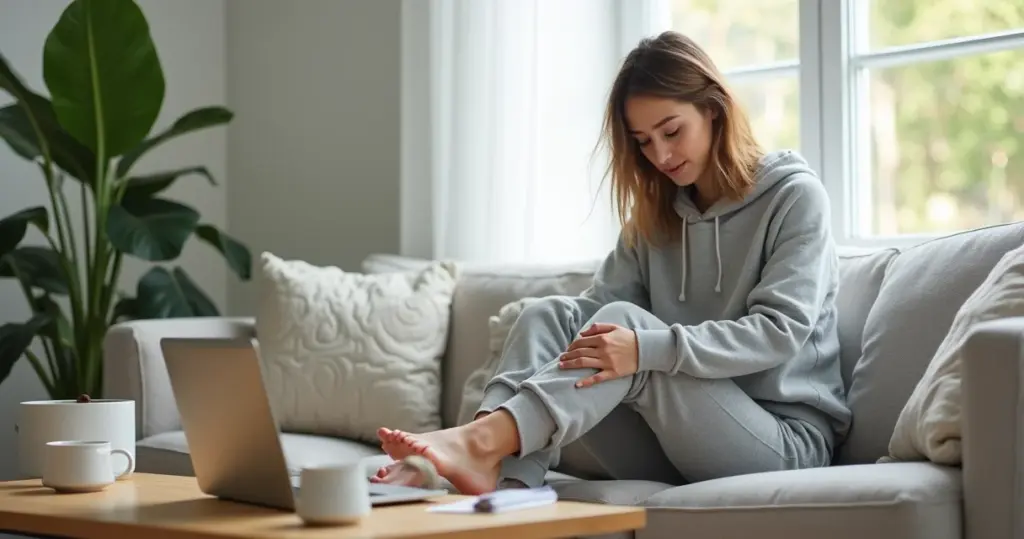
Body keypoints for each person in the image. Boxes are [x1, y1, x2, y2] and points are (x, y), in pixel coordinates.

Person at [374, 30, 852, 495]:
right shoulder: (656, 216)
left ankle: (478, 444)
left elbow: (780, 329)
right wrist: (624, 343)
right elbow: (585, 318)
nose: (660, 155)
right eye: (643, 141)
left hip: (780, 444)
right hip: (677, 441)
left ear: (713, 110)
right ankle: (506, 476)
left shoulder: (794, 198)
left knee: (627, 336)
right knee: (547, 315)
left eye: (671, 131)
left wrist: (647, 348)